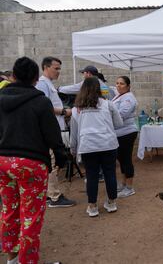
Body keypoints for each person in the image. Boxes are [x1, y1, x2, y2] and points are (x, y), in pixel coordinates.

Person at [0, 57, 67, 264]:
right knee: (30, 215)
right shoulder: (40, 101)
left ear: (13, 76)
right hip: (30, 163)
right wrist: (61, 155)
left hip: (3, 162)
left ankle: (11, 259)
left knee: (9, 210)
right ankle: (27, 262)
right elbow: (52, 133)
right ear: (36, 78)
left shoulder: (0, 98)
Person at [70, 77, 123, 217]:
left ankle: (92, 207)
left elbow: (74, 132)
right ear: (99, 89)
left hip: (88, 146)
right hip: (108, 144)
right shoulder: (108, 104)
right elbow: (119, 124)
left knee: (91, 176)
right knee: (110, 174)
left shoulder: (76, 109)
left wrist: (73, 149)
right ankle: (111, 203)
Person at [36, 56, 76, 208]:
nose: (59, 72)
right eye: (56, 68)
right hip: (49, 130)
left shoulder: (48, 84)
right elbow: (44, 107)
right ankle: (54, 196)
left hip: (54, 128)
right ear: (46, 67)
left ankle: (49, 194)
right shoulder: (42, 84)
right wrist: (64, 111)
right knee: (52, 162)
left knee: (52, 162)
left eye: (59, 68)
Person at [112, 76, 138, 198]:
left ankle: (129, 187)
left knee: (126, 159)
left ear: (128, 86)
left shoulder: (128, 98)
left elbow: (122, 114)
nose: (118, 85)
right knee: (121, 159)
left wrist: (106, 120)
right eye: (117, 83)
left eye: (122, 84)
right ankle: (123, 183)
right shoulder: (119, 96)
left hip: (126, 132)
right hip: (119, 133)